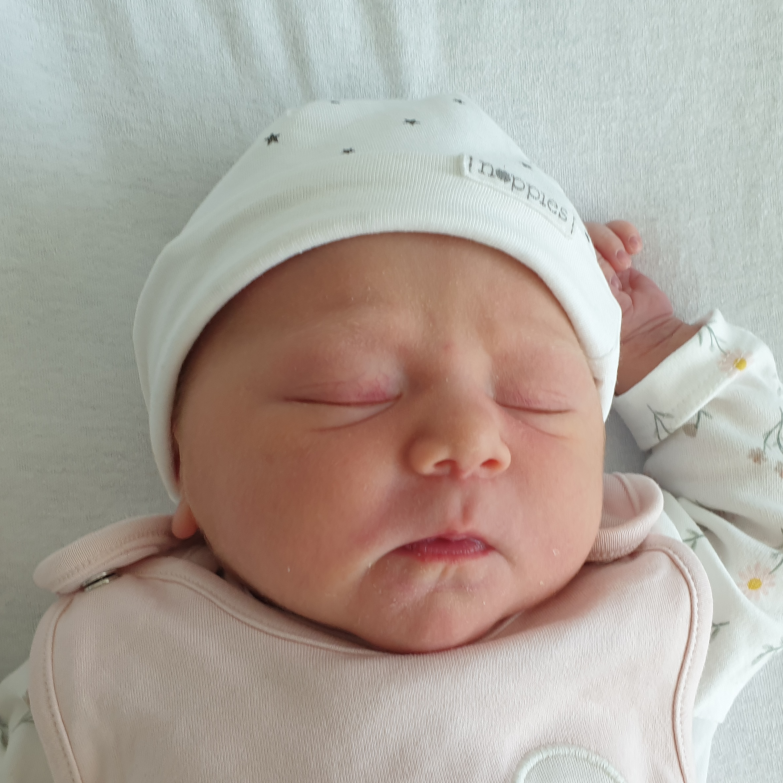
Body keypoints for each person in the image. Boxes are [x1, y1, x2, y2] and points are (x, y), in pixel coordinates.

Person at [2, 94, 782, 783]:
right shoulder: (121, 667)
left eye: (536, 398)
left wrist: (654, 346)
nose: (467, 439)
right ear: (187, 463)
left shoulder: (644, 619)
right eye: (351, 390)